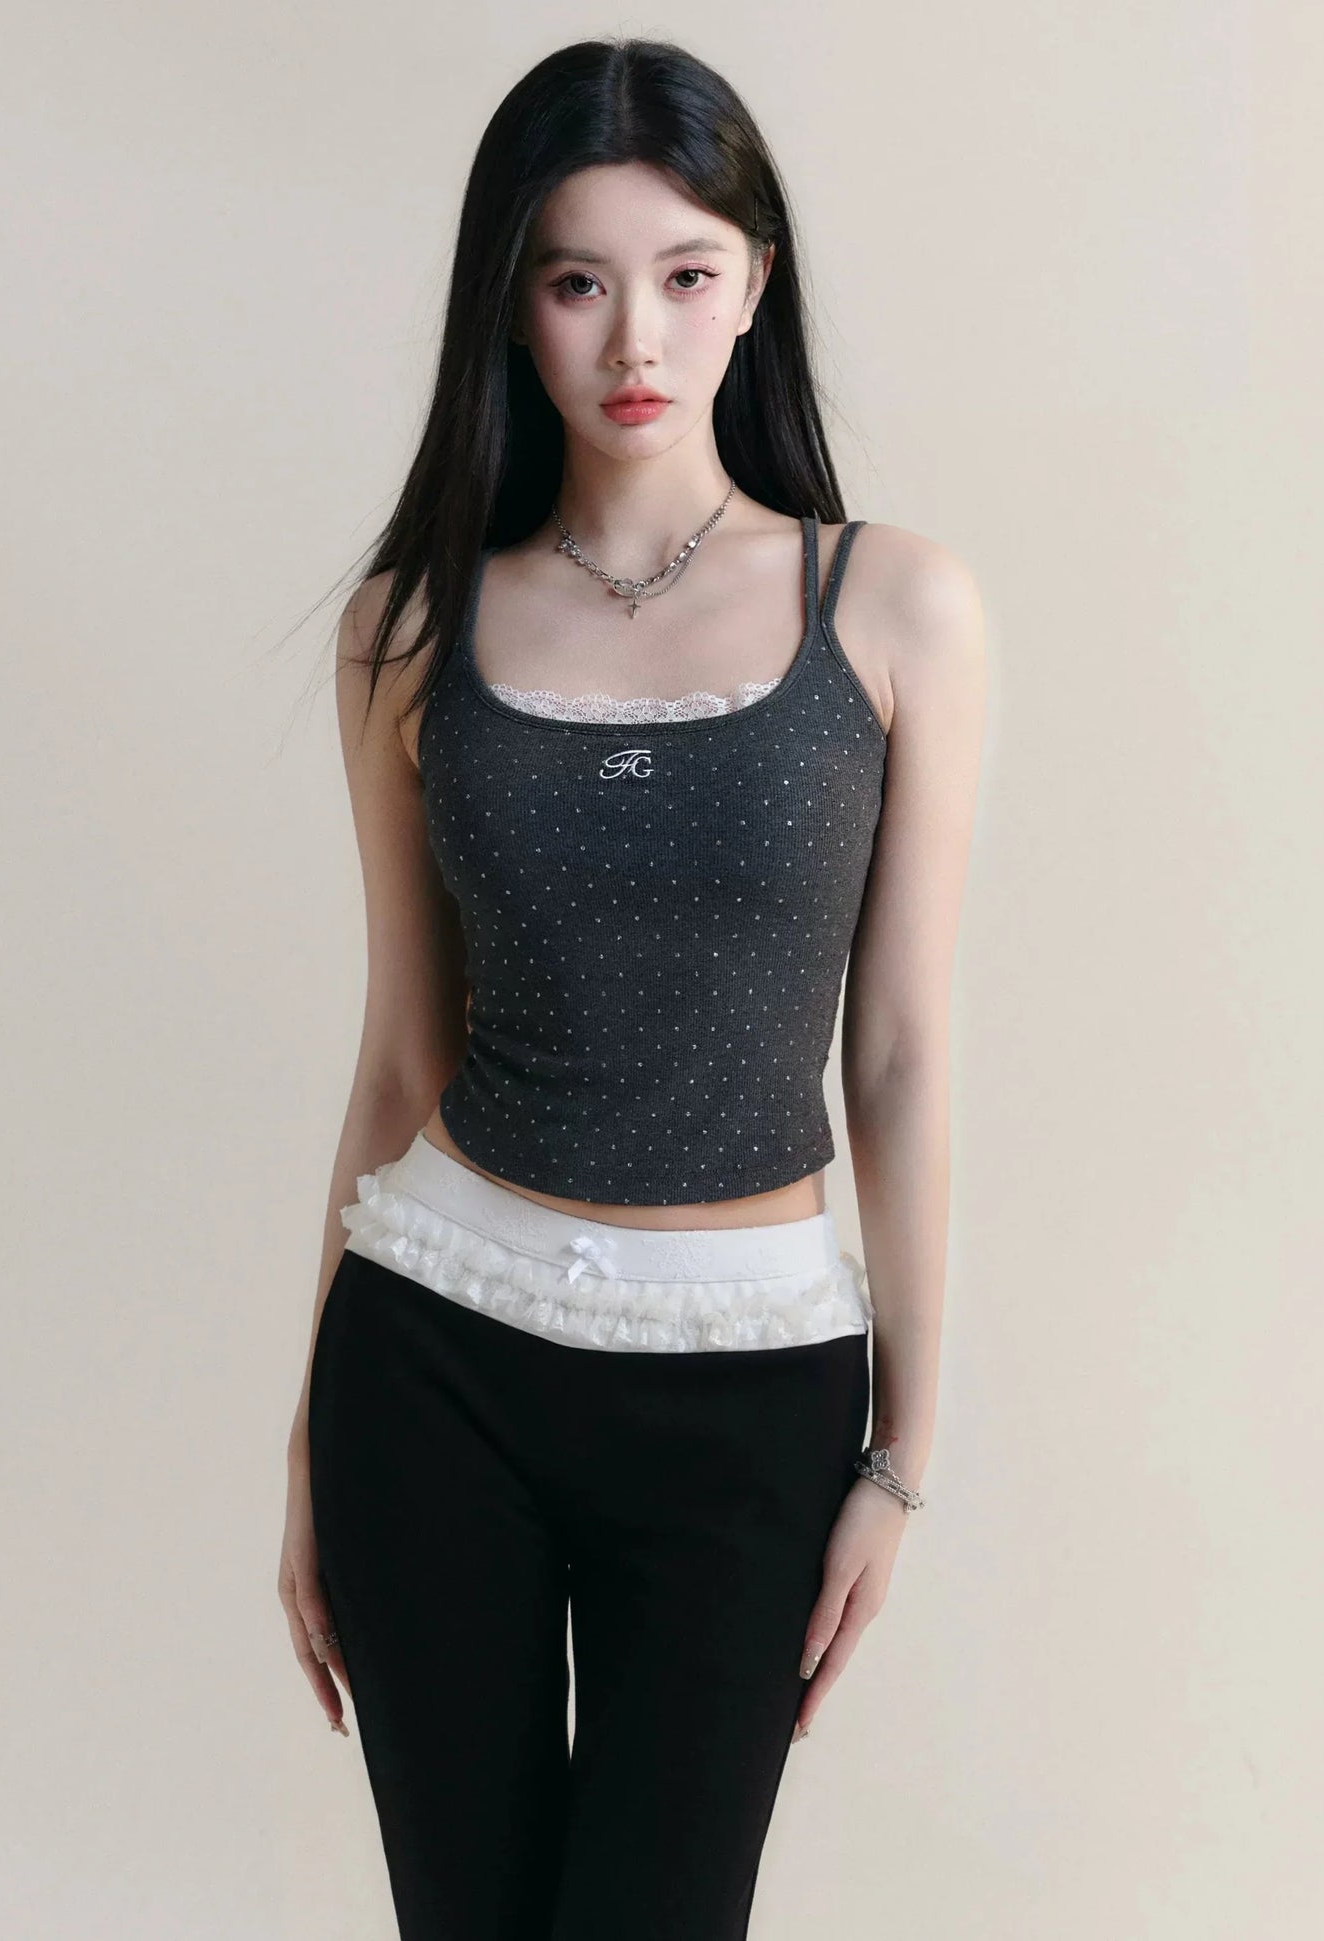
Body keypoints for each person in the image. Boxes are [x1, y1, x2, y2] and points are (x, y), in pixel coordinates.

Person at [279, 34, 985, 1940]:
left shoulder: (892, 606)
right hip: (432, 1360)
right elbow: (399, 1053)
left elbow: (898, 1054)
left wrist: (899, 1458)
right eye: (576, 281)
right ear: (510, 306)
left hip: (751, 1391)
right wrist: (306, 1437)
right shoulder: (407, 624)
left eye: (684, 273)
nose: (635, 338)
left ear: (755, 284)